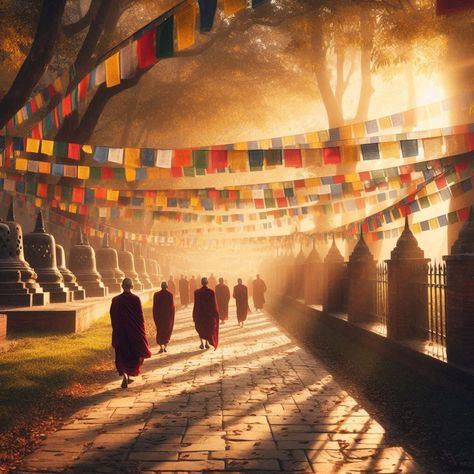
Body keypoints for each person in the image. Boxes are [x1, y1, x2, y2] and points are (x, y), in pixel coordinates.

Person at [110, 278, 151, 388]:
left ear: (122, 286)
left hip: (121, 332)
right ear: (132, 286)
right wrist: (141, 331)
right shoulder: (136, 299)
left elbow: (113, 317)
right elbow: (140, 318)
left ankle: (124, 376)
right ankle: (128, 375)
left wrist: (116, 330)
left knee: (121, 355)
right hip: (133, 332)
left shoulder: (116, 300)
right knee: (133, 354)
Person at [192, 277, 219, 349]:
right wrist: (216, 314)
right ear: (207, 283)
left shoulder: (197, 292)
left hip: (200, 314)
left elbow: (196, 305)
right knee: (208, 329)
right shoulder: (211, 292)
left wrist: (194, 315)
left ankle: (202, 343)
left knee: (201, 328)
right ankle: (206, 343)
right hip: (209, 315)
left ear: (201, 283)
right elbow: (214, 305)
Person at [153, 281, 175, 354]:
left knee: (160, 331)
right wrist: (171, 317)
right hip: (167, 317)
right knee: (166, 331)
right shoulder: (170, 295)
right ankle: (165, 346)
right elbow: (172, 308)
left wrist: (155, 317)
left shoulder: (156, 295)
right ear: (167, 287)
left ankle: (161, 347)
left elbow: (155, 308)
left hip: (159, 317)